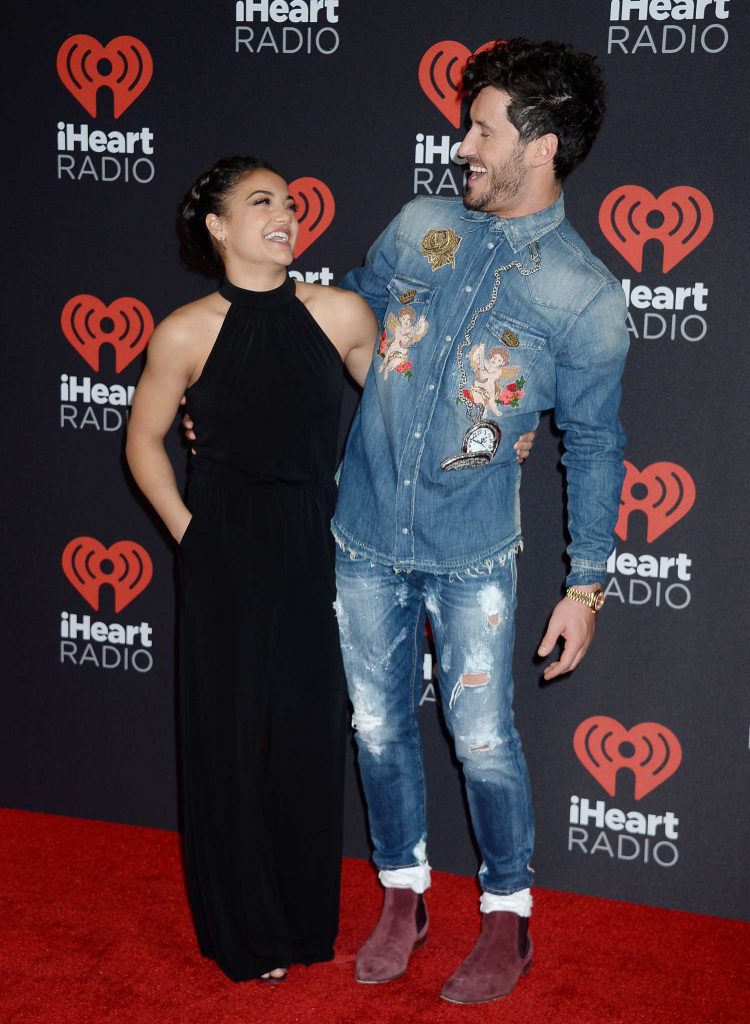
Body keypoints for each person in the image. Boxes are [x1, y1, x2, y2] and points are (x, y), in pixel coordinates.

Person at [330, 39, 629, 1005]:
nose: (462, 144)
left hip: (471, 556)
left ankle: (507, 915)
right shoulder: (422, 223)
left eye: (483, 130)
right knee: (377, 727)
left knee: (485, 738)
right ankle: (402, 895)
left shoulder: (585, 294)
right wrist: (392, 406)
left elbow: (595, 442)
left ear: (538, 147)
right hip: (364, 531)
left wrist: (586, 586)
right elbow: (357, 324)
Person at [125, 156, 378, 982]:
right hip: (222, 540)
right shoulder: (185, 329)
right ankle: (245, 933)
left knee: (307, 735)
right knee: (225, 736)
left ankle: (304, 923)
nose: (286, 213)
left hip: (315, 535)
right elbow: (143, 440)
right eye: (262, 201)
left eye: (293, 202)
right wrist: (188, 533)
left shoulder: (341, 312)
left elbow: (401, 409)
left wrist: (494, 425)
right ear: (219, 227)